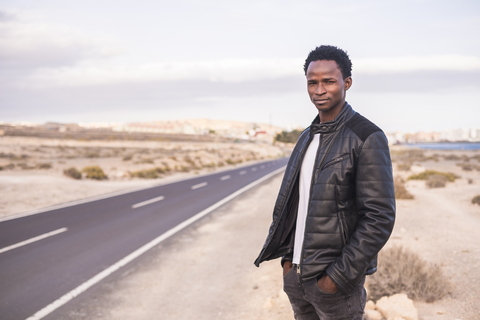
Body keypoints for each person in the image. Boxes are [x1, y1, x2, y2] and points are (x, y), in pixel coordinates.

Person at [254, 45, 396, 320]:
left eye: (328, 81)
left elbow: (379, 217)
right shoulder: (306, 137)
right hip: (297, 277)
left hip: (334, 286)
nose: (319, 90)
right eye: (312, 82)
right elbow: (294, 204)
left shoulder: (367, 136)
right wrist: (287, 262)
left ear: (347, 83)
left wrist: (335, 278)